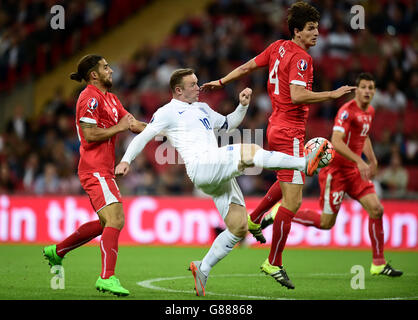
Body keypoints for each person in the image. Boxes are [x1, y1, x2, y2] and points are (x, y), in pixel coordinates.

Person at [115, 68, 326, 296]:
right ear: (178, 90)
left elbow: (228, 124)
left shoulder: (202, 108)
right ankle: (304, 163)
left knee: (239, 227)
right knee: (250, 152)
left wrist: (242, 105)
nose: (198, 87)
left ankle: (202, 268)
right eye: (193, 84)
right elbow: (143, 137)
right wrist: (126, 160)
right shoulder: (166, 112)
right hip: (201, 165)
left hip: (215, 171)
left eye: (197, 82)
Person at [201, 1, 355, 289]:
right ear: (297, 31)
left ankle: (257, 218)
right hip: (289, 131)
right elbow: (297, 95)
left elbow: (248, 66)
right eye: (310, 29)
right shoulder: (301, 59)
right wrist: (332, 94)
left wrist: (222, 81)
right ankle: (273, 261)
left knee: (288, 183)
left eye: (317, 28)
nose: (316, 33)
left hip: (276, 126)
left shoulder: (277, 47)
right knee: (293, 201)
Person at [261, 73, 403, 277]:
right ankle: (279, 211)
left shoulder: (369, 111)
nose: (367, 91)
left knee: (376, 209)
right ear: (357, 89)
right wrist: (360, 160)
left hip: (353, 173)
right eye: (363, 87)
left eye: (371, 88)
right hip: (334, 173)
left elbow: (364, 136)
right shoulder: (347, 112)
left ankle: (378, 263)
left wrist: (372, 160)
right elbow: (336, 141)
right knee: (326, 223)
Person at [42, 54, 146, 296]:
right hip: (95, 168)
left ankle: (57, 252)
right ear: (94, 75)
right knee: (116, 219)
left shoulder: (111, 99)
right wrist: (119, 128)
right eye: (106, 67)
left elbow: (132, 123)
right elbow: (89, 134)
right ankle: (107, 278)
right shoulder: (88, 97)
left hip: (104, 169)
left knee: (105, 223)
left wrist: (164, 132)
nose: (111, 70)